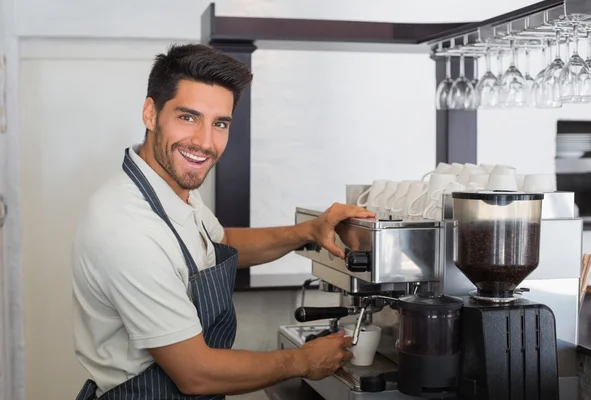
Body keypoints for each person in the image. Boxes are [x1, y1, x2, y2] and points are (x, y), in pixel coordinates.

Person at [71, 43, 376, 400]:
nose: (204, 142)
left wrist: (307, 231)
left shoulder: (171, 188)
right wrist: (302, 361)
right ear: (150, 114)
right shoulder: (129, 229)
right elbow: (195, 374)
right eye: (188, 117)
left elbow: (219, 243)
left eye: (219, 123)